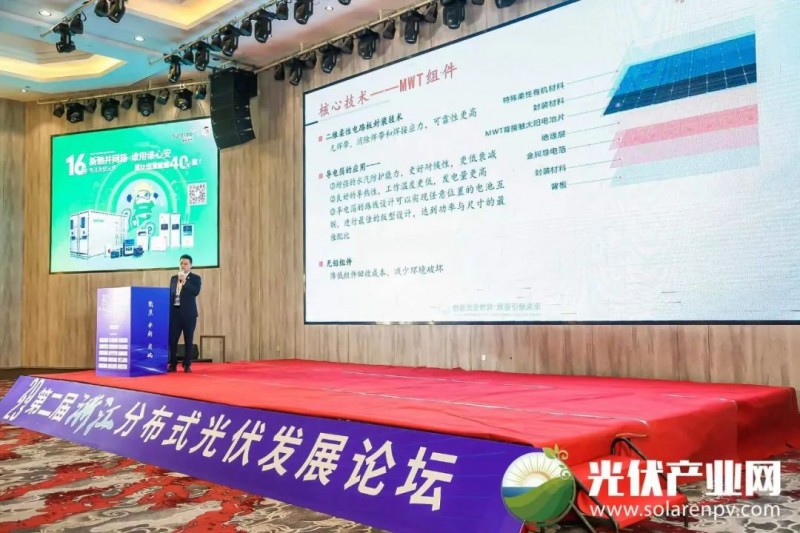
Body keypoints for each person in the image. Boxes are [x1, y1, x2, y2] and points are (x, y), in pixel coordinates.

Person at [168, 254, 201, 373]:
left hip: (189, 315)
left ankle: (187, 364)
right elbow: (171, 295)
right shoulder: (173, 278)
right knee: (172, 340)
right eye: (181, 263)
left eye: (186, 263)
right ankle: (173, 363)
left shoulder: (196, 278)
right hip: (175, 314)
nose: (183, 265)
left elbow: (196, 291)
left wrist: (185, 281)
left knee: (188, 339)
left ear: (190, 265)